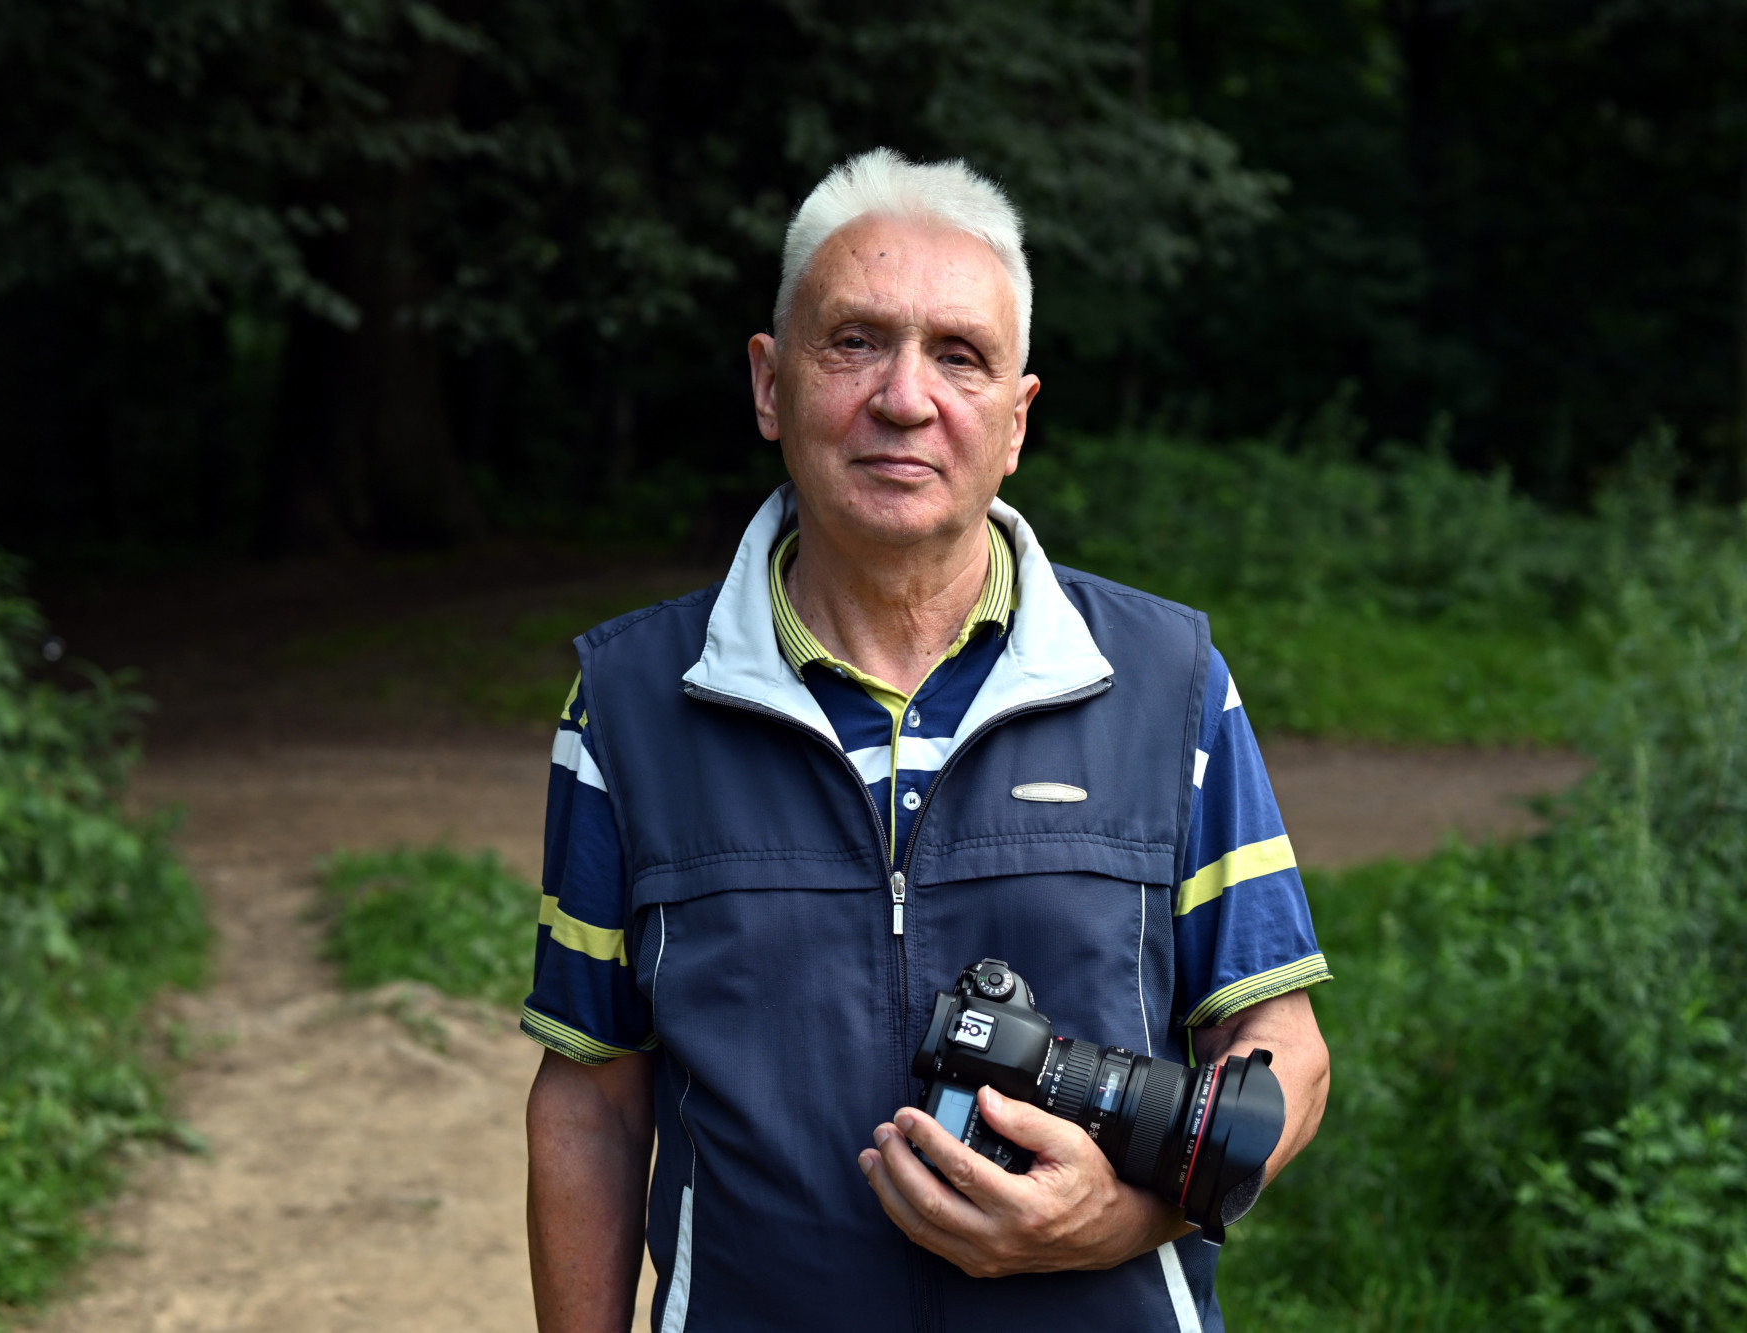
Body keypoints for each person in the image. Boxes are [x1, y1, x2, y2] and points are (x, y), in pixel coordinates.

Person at [521, 147, 1331, 1333]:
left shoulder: (1167, 686)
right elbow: (590, 1100)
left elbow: (1282, 1046)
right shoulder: (633, 704)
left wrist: (1119, 1216)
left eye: (959, 355)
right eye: (854, 341)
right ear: (768, 382)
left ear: (1014, 417)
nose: (905, 396)